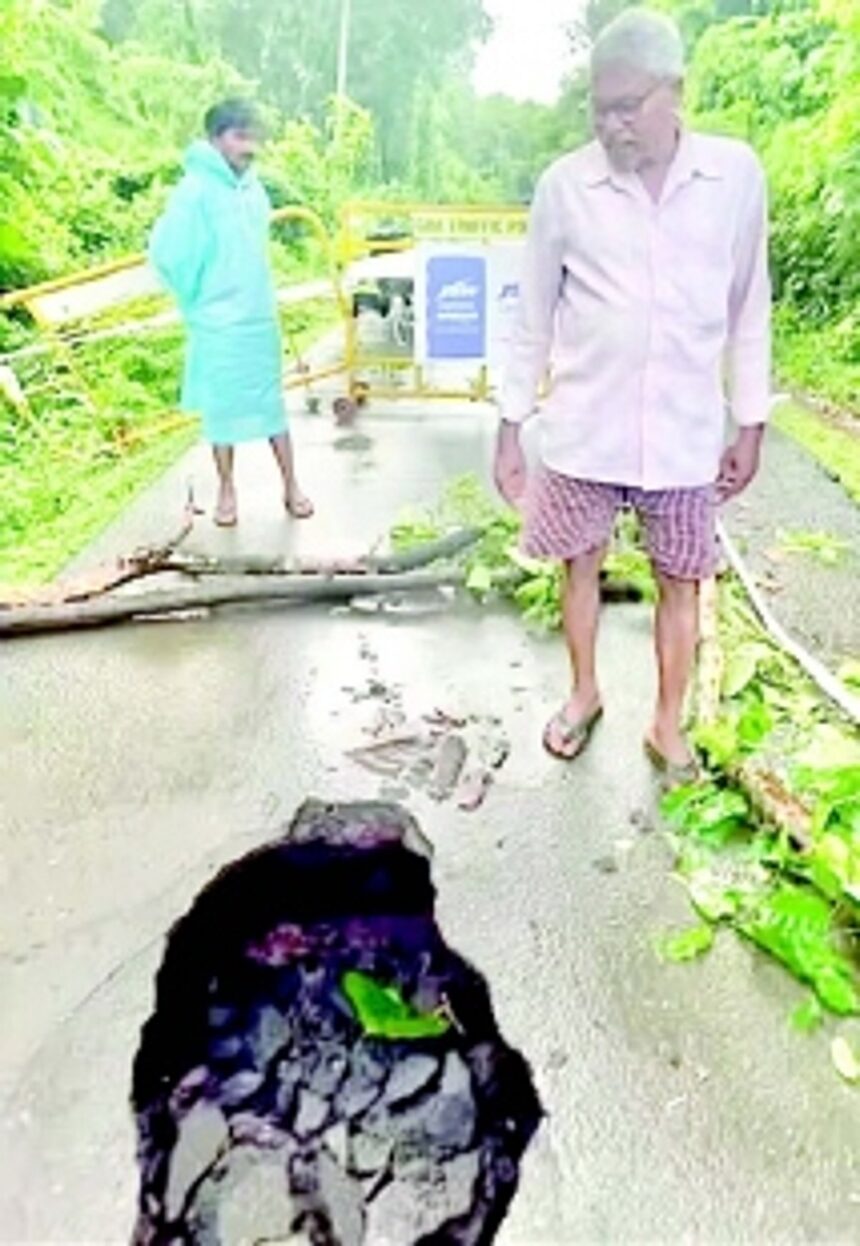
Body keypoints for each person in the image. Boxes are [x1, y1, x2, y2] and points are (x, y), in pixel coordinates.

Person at [494, 8, 771, 783]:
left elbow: (750, 306)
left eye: (628, 106)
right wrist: (510, 424)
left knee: (682, 576)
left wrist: (751, 421)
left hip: (684, 432)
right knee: (578, 563)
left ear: (674, 90)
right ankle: (583, 693)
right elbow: (533, 315)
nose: (612, 125)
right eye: (600, 108)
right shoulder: (565, 187)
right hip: (585, 427)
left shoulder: (733, 178)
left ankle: (666, 722)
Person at [149, 99, 312, 527]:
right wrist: (196, 299)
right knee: (222, 412)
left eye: (253, 138)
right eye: (240, 137)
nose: (249, 147)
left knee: (271, 405)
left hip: (258, 318)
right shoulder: (195, 190)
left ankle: (291, 485)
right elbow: (170, 251)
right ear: (215, 139)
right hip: (218, 323)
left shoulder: (254, 189)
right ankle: (226, 489)